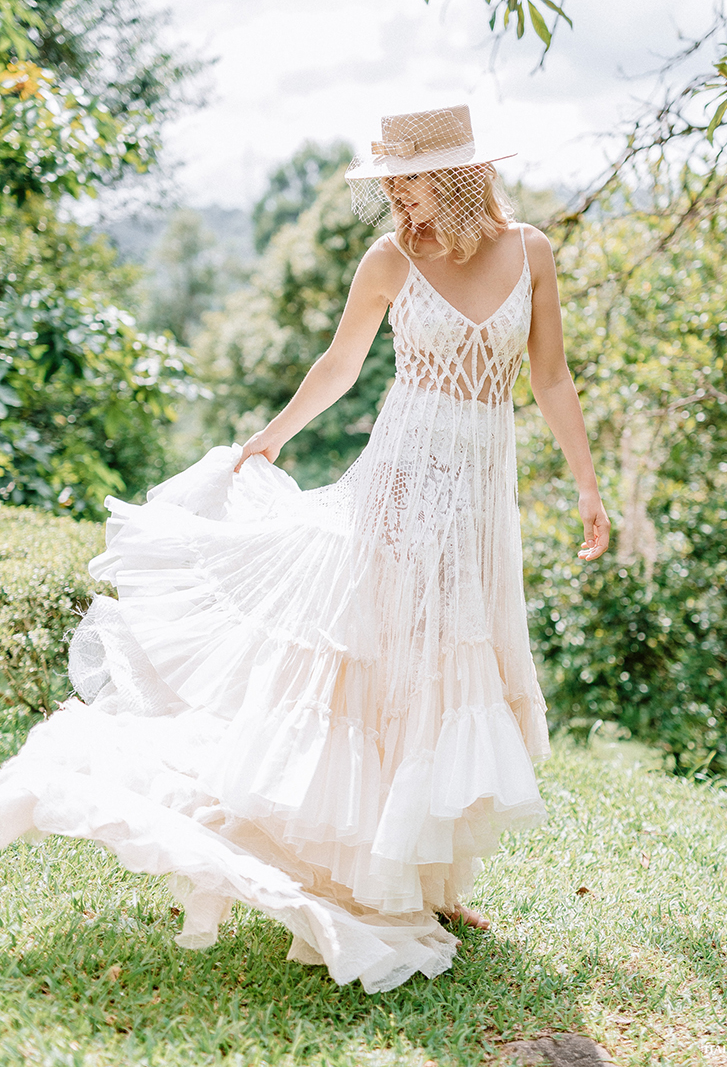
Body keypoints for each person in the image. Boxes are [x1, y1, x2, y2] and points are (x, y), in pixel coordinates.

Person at [0, 105, 610, 994]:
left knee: (450, 669)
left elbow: (550, 375)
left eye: (411, 180)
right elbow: (341, 362)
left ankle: (432, 884)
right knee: (396, 667)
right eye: (392, 183)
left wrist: (588, 484)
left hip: (482, 495)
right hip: (400, 483)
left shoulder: (532, 252)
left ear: (459, 176)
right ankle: (383, 882)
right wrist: (274, 435)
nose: (399, 197)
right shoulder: (391, 258)